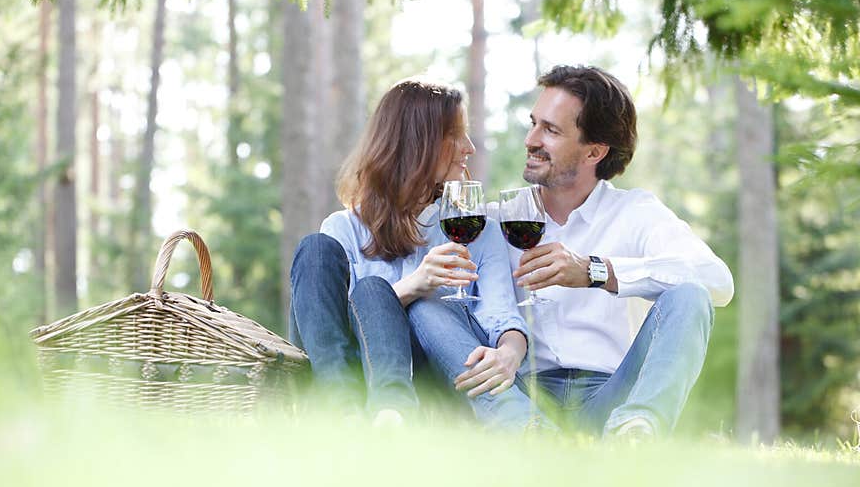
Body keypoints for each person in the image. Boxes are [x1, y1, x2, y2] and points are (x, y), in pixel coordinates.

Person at [289, 79, 545, 430]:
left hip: (440, 384)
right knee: (315, 250)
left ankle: (396, 416)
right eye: (456, 135)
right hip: (356, 382)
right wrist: (415, 284)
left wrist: (510, 353)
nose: (469, 147)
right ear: (417, 143)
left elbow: (501, 317)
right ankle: (343, 415)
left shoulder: (477, 229)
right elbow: (334, 336)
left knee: (426, 308)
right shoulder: (343, 230)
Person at [507, 65, 734, 439]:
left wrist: (600, 272)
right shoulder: (503, 217)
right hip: (520, 398)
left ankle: (636, 432)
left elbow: (718, 282)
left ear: (594, 151)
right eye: (534, 123)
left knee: (690, 294)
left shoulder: (635, 212)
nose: (531, 139)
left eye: (550, 130)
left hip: (610, 396)